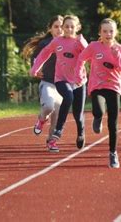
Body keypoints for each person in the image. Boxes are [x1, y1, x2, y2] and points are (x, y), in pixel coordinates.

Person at [74, 18, 121, 168]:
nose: (108, 34)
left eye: (111, 31)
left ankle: (113, 154)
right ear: (100, 33)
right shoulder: (93, 47)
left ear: (116, 32)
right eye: (105, 31)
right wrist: (79, 75)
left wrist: (117, 56)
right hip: (97, 86)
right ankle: (97, 117)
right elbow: (81, 59)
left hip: (113, 87)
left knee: (113, 123)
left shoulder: (120, 49)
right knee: (98, 110)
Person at [30, 15, 88, 153]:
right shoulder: (57, 42)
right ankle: (58, 131)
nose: (68, 29)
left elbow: (89, 56)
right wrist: (34, 69)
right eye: (66, 26)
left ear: (77, 28)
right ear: (63, 28)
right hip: (60, 79)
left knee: (78, 115)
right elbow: (44, 53)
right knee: (67, 97)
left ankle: (81, 133)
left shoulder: (80, 42)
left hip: (79, 81)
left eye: (72, 26)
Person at [22, 16, 64, 145]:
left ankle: (51, 141)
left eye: (61, 27)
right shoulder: (44, 44)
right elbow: (35, 59)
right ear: (50, 29)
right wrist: (35, 69)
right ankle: (41, 119)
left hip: (62, 85)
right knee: (49, 107)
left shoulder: (69, 43)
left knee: (56, 116)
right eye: (56, 27)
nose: (59, 30)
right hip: (47, 82)